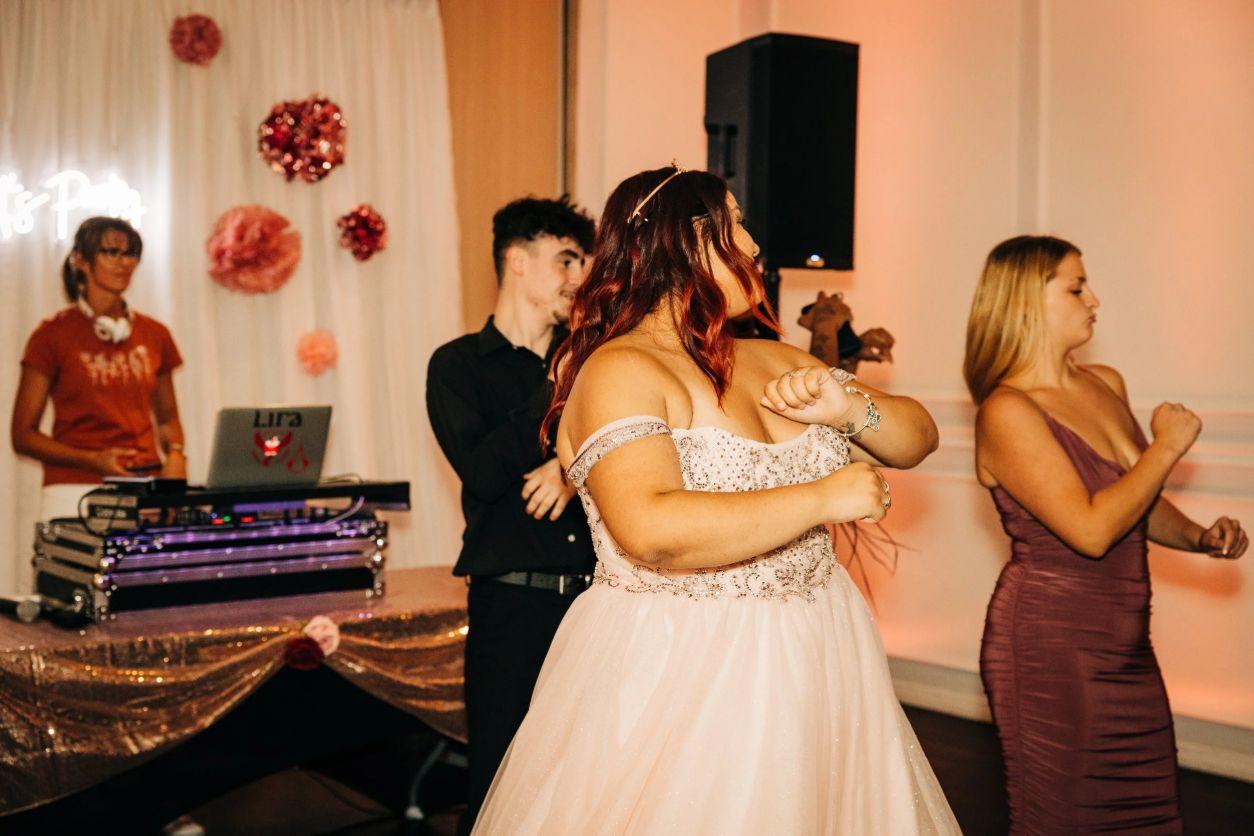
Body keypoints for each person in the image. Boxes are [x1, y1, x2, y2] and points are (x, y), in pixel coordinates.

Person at [472, 166, 959, 834]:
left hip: (823, 644)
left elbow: (917, 439)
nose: (754, 245)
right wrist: (822, 497)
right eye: (734, 225)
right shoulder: (619, 369)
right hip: (689, 666)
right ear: (679, 243)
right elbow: (651, 528)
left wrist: (848, 406)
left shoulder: (774, 357)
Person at [964, 236, 1247, 833]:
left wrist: (1199, 536)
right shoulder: (1008, 410)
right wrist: (1167, 447)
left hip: (1127, 646)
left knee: (1149, 816)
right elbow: (1092, 531)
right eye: (1076, 288)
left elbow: (1133, 500)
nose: (1094, 300)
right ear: (1026, 300)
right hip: (1052, 649)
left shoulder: (1105, 382)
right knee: (1065, 820)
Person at [425, 195, 598, 834]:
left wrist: (570, 469)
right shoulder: (457, 365)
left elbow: (633, 451)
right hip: (511, 606)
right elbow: (484, 473)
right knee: (500, 780)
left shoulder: (594, 360)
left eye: (583, 264)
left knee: (587, 779)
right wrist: (555, 386)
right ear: (517, 261)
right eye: (567, 260)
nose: (579, 278)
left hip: (597, 602)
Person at [11, 217, 186, 522]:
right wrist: (92, 460)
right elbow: (23, 436)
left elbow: (167, 417)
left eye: (130, 254)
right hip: (74, 491)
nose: (123, 263)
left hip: (144, 487)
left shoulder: (155, 333)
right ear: (81, 260)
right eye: (111, 252)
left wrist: (175, 455)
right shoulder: (51, 335)